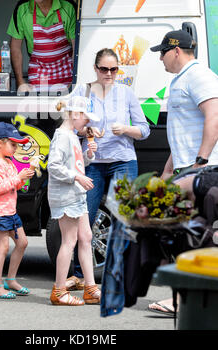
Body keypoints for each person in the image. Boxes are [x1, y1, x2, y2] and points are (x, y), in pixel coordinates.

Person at [66, 48, 150, 290]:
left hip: (123, 159)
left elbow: (144, 130)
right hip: (92, 162)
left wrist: (125, 129)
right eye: (104, 69)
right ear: (95, 68)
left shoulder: (126, 93)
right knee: (86, 217)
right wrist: (88, 131)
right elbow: (70, 124)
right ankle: (80, 275)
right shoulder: (82, 91)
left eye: (114, 69)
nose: (109, 74)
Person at [148, 28, 218, 315]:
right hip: (186, 169)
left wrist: (200, 162)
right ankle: (186, 297)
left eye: (162, 52)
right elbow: (181, 135)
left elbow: (214, 116)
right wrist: (168, 170)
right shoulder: (181, 79)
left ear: (176, 50)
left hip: (204, 170)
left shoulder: (199, 75)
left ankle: (185, 298)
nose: (160, 58)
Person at [48, 96, 101, 306]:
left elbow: (76, 163)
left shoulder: (70, 135)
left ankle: (90, 288)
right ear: (76, 114)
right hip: (68, 195)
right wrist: (77, 176)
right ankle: (59, 291)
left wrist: (88, 154)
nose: (87, 122)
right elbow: (53, 166)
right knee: (69, 241)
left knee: (85, 237)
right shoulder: (62, 136)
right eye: (86, 118)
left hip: (76, 194)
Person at [0, 122, 35, 299]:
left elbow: (13, 185)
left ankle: (10, 280)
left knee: (22, 243)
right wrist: (18, 177)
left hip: (9, 211)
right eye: (13, 144)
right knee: (3, 247)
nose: (15, 148)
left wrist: (23, 178)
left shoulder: (8, 162)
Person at [7, 0, 76, 92]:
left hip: (65, 73)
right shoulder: (22, 9)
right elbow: (15, 48)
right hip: (38, 72)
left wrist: (74, 82)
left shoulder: (68, 7)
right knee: (39, 111)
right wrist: (20, 82)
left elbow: (77, 46)